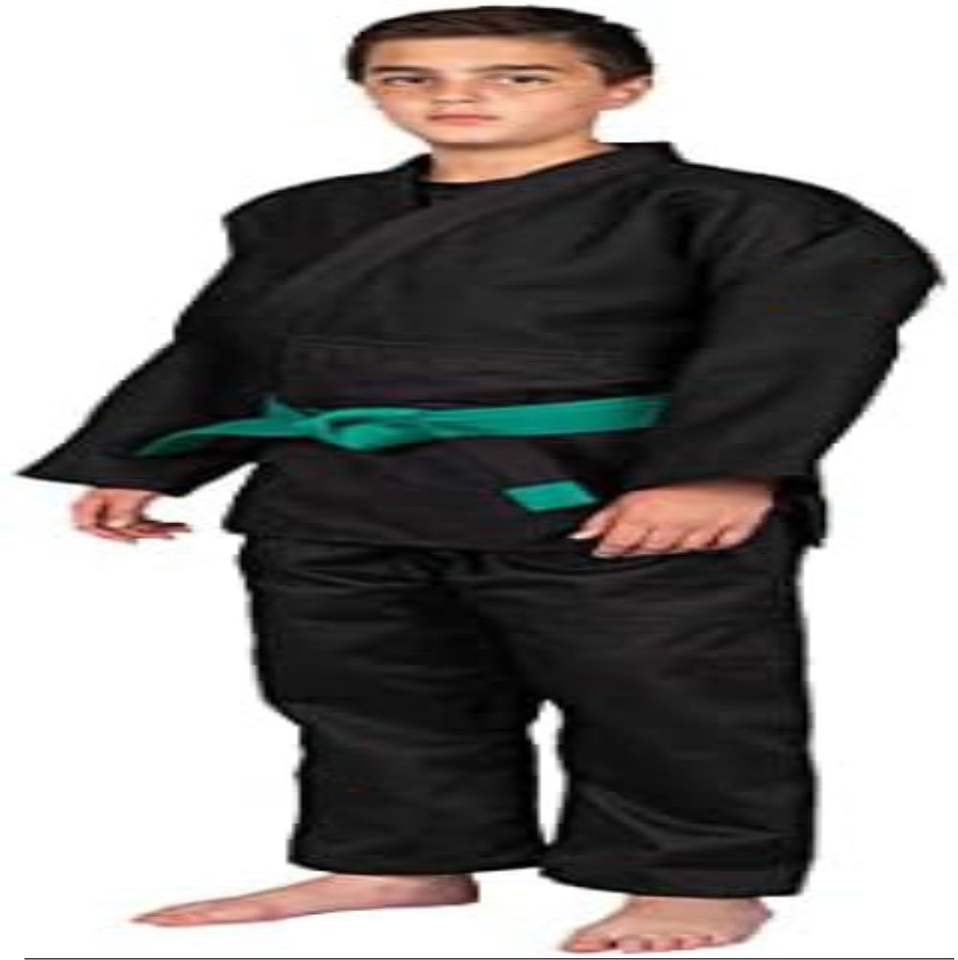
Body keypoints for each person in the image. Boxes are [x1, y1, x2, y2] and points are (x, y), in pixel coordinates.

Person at [16, 5, 943, 954]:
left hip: (607, 498)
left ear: (624, 88)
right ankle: (399, 857)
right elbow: (226, 345)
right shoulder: (304, 217)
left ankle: (692, 884)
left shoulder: (747, 214)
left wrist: (720, 474)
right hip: (335, 498)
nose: (456, 95)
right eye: (409, 77)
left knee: (665, 694)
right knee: (361, 685)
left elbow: (803, 336)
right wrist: (144, 459)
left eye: (517, 76)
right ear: (368, 92)